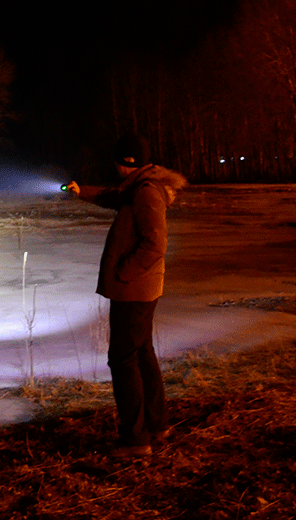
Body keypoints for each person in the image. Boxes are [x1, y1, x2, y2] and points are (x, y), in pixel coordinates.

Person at [65, 134, 187, 456]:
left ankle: (135, 439)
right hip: (138, 288)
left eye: (117, 160)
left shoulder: (146, 192)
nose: (114, 166)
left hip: (135, 289)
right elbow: (114, 197)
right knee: (142, 353)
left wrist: (124, 272)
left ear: (127, 162)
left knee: (122, 360)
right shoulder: (137, 187)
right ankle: (157, 425)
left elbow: (155, 244)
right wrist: (82, 191)